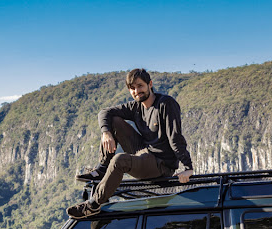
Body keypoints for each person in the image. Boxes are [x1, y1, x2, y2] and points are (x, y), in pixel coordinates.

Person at [67, 68, 194, 219]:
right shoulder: (136, 107)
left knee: (119, 160)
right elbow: (104, 112)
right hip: (144, 152)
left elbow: (175, 137)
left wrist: (188, 168)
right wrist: (106, 133)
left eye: (140, 86)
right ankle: (102, 169)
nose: (136, 91)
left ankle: (93, 205)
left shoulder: (166, 104)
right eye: (132, 88)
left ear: (150, 84)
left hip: (161, 164)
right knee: (113, 120)